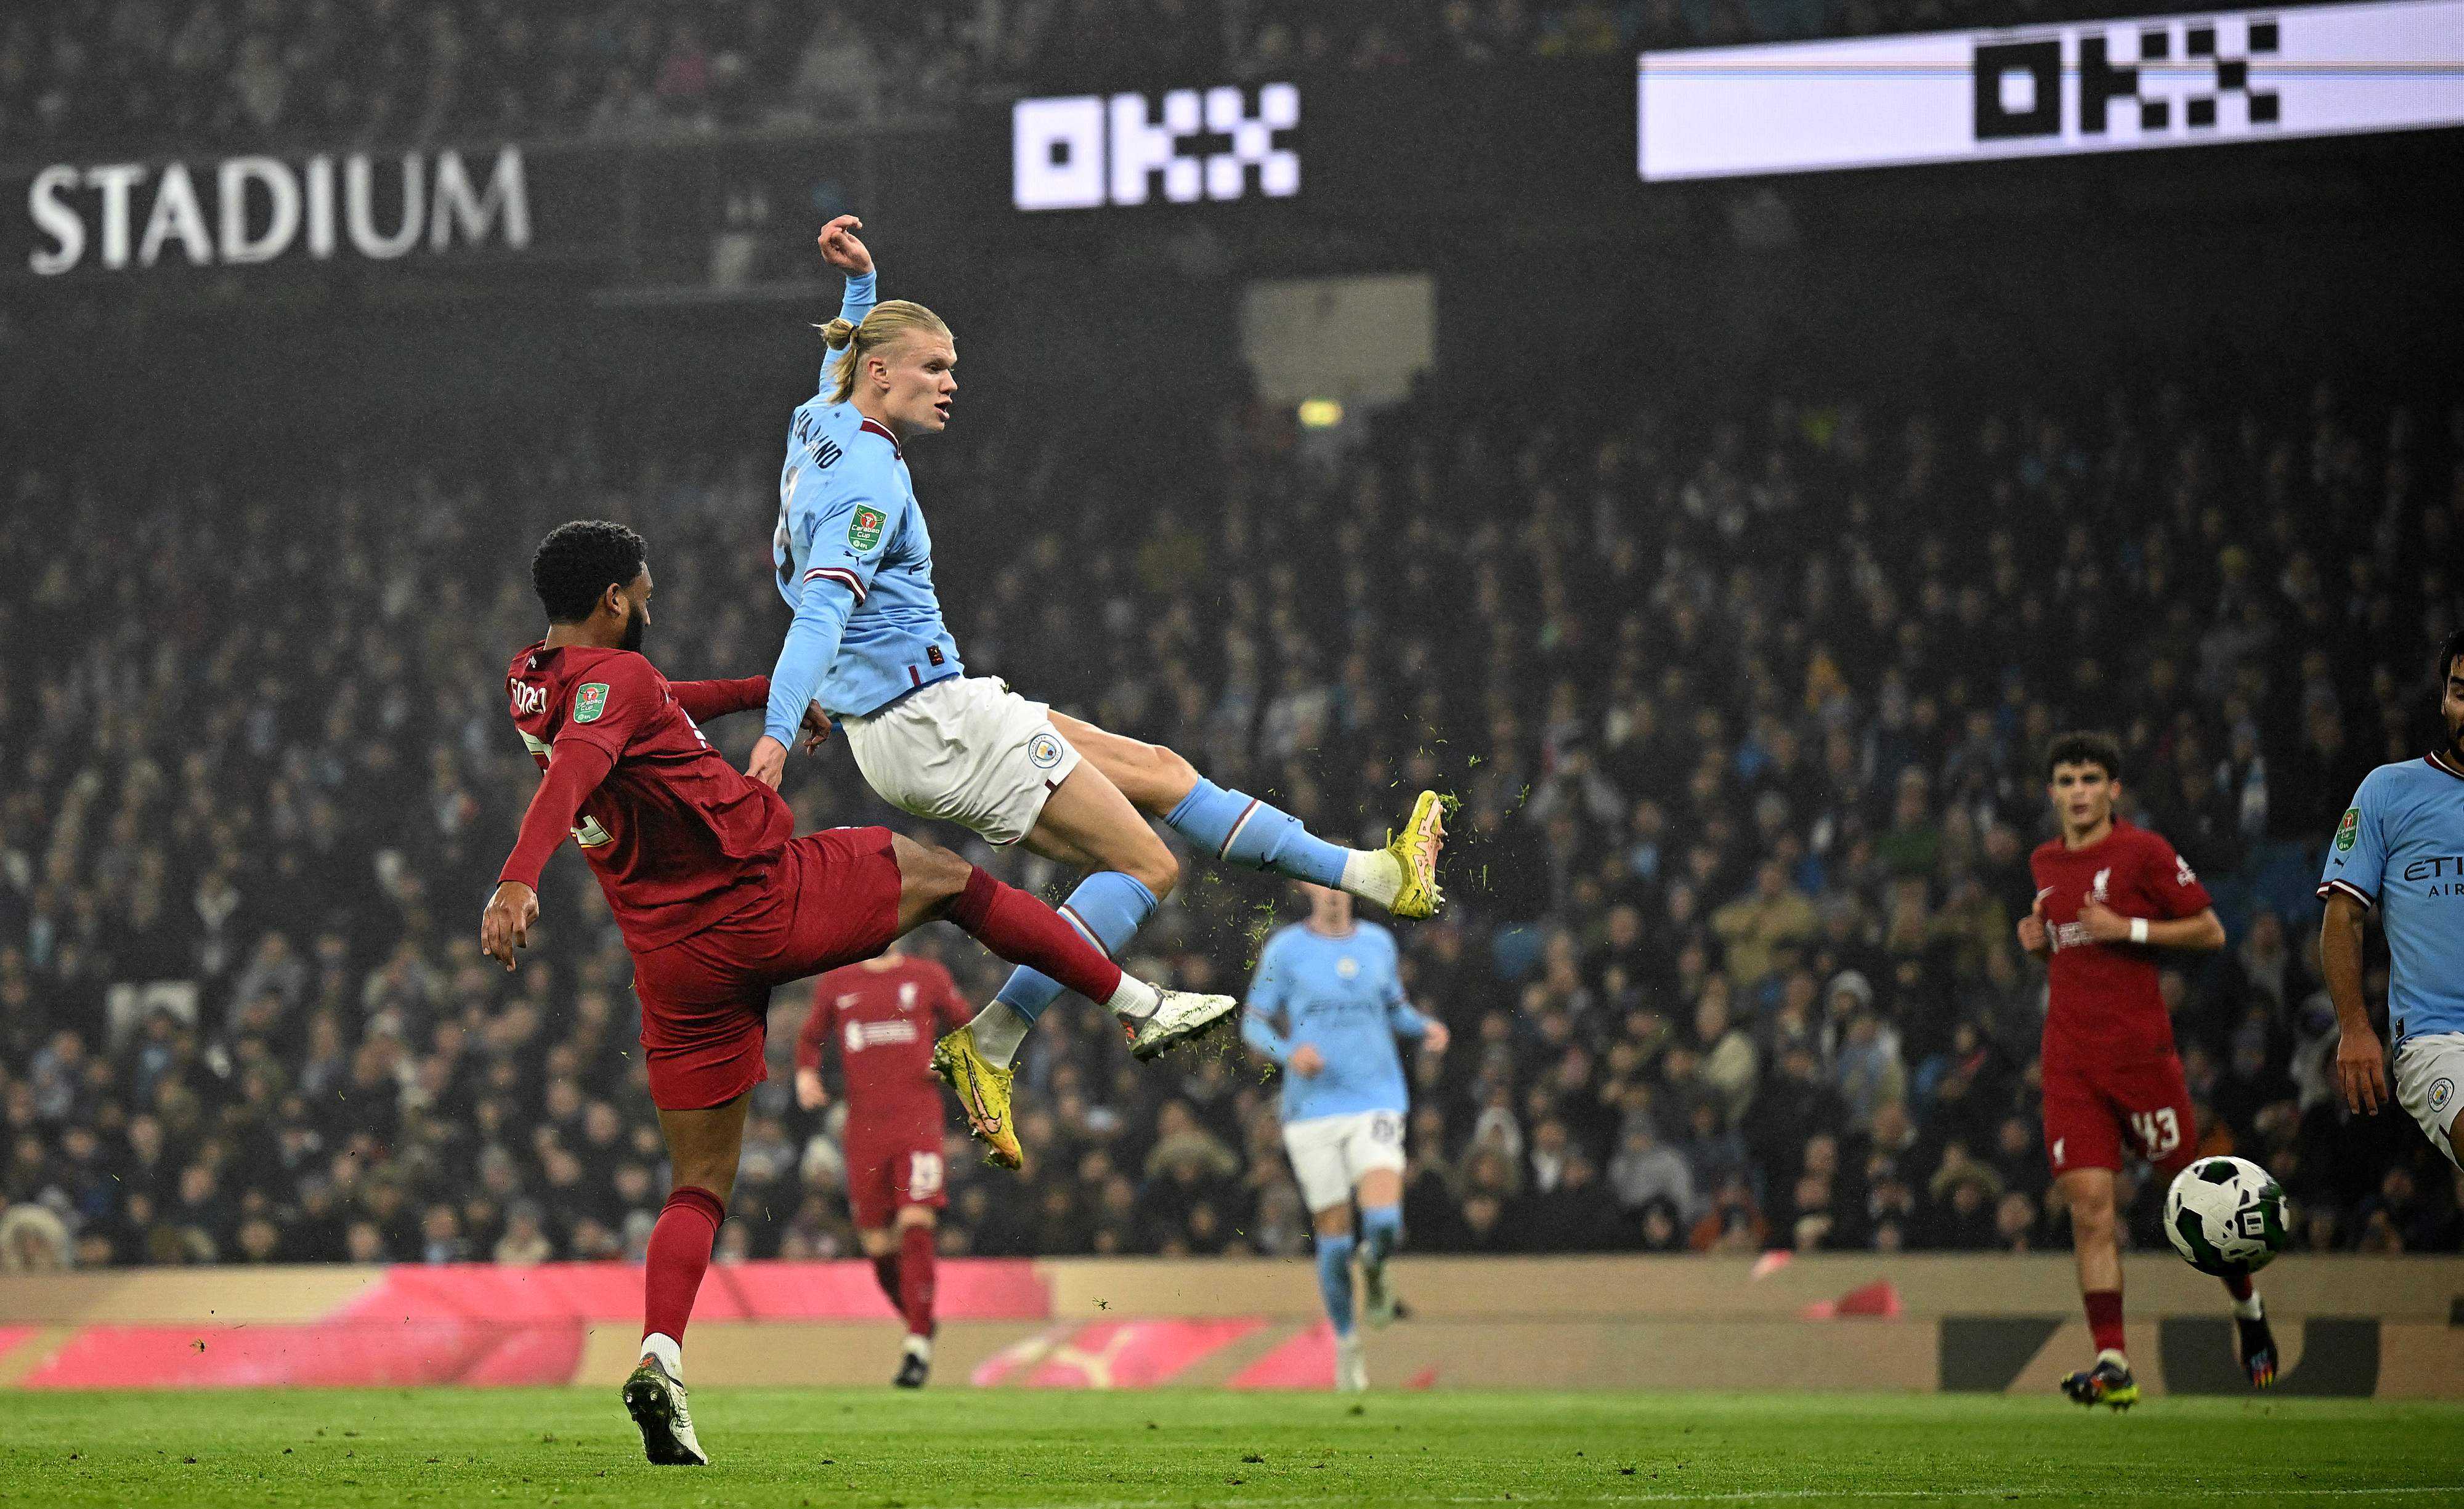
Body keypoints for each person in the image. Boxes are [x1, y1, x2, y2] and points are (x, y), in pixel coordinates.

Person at [479, 520, 1226, 1466]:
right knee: (947, 877)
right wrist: (518, 875)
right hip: (753, 901)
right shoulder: (619, 684)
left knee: (699, 1185)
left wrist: (770, 697)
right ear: (616, 599)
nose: (653, 601)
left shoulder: (532, 681)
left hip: (669, 959)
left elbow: (651, 708)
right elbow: (594, 754)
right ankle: (1138, 1003)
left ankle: (661, 1354)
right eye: (646, 589)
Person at [748, 217, 1447, 1171]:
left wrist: (864, 288)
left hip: (923, 710)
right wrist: (777, 735)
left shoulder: (820, 418)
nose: (951, 380)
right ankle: (991, 1043)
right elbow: (822, 614)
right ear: (883, 376)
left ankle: (1374, 876)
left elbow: (845, 366)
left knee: (1160, 772)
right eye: (935, 366)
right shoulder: (870, 476)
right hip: (935, 724)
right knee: (1149, 865)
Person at [2015, 730, 2272, 1410]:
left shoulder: (2142, 852)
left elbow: (2211, 930)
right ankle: (2112, 1361)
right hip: (2070, 1064)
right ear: (2052, 792)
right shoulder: (2042, 861)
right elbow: (2072, 954)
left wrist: (2127, 928)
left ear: (2112, 789)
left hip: (2141, 1061)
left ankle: (2247, 1309)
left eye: (2089, 778)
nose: (2077, 791)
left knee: (2200, 1205)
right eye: (2066, 779)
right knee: (2090, 1210)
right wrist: (2039, 946)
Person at [1240, 882, 1449, 1391]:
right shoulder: (1285, 948)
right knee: (1334, 1241)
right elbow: (1253, 1024)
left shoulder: (1378, 942)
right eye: (1321, 885)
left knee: (1383, 1219)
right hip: (1312, 1109)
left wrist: (1424, 1026)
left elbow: (1394, 1009)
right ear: (1305, 890)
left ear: (1354, 890)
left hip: (1377, 1097)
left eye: (1341, 884)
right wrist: (1290, 1052)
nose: (1332, 894)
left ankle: (1376, 1268)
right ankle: (1348, 1344)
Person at [2320, 628, 2464, 1175]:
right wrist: (2355, 1026)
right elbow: (2345, 916)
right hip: (2439, 1038)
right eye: (2461, 692)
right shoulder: (2389, 790)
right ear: (2443, 699)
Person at [795, 941, 970, 1386]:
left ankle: (916, 1344)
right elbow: (810, 1037)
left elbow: (967, 1026)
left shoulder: (927, 973)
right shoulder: (838, 981)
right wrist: (806, 1074)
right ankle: (919, 1320)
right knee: (877, 1247)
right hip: (865, 1129)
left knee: (916, 1222)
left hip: (918, 1121)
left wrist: (949, 1061)